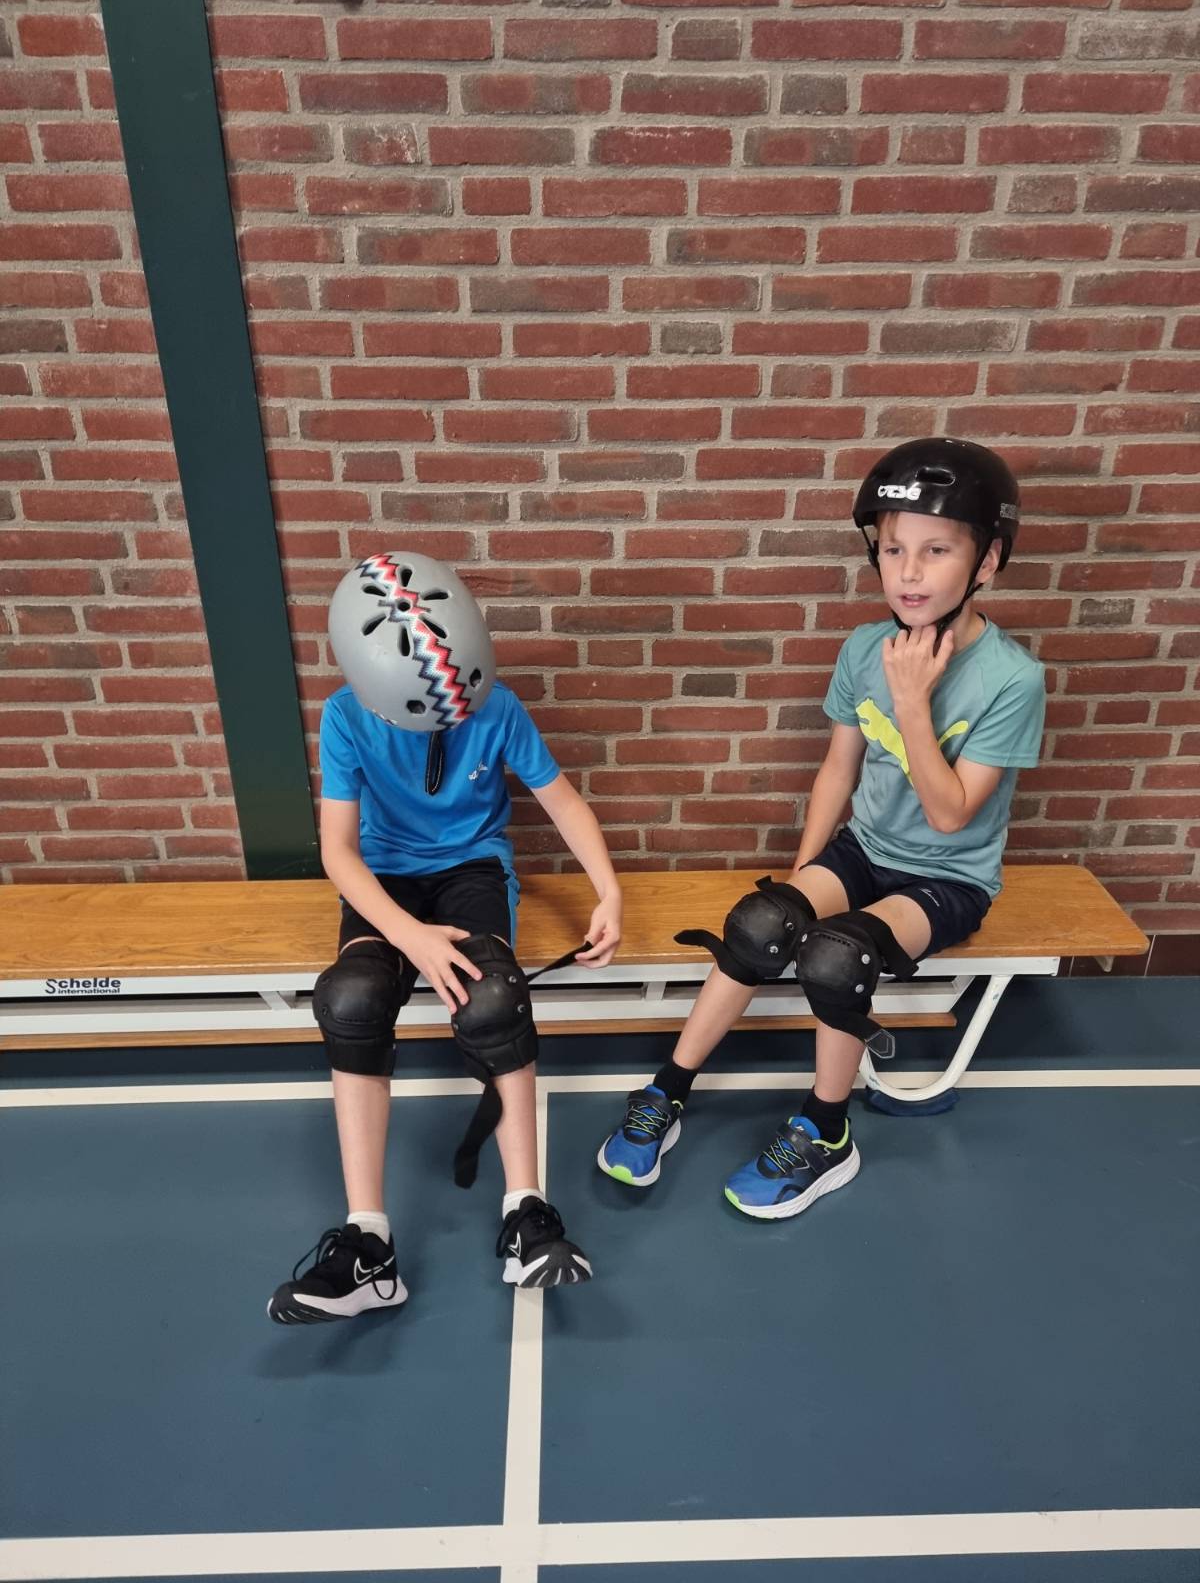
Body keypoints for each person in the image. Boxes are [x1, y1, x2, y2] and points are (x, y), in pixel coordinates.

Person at [597, 437, 1046, 1219]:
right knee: (761, 923)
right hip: (863, 852)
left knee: (838, 959)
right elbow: (838, 771)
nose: (909, 572)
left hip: (947, 878)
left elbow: (949, 814)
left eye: (936, 550)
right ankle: (667, 1090)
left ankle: (827, 1131)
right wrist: (800, 890)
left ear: (988, 561)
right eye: (894, 549)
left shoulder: (1013, 679)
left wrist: (913, 702)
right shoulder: (864, 648)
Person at [269, 551, 622, 1322]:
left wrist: (609, 891)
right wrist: (411, 939)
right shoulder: (346, 717)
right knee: (352, 1000)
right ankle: (368, 1246)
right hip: (385, 879)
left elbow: (562, 803)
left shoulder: (497, 707)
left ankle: (525, 1213)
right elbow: (339, 853)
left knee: (495, 1002)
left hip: (471, 870)